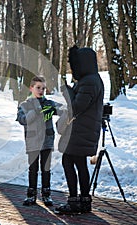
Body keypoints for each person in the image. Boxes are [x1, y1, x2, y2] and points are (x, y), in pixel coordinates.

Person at [55, 45, 104, 214]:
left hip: (80, 131)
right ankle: (84, 201)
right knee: (80, 165)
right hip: (83, 130)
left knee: (68, 162)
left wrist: (66, 90)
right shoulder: (91, 79)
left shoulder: (90, 81)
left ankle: (74, 202)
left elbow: (77, 106)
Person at [16, 76, 61, 206]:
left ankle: (46, 195)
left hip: (47, 140)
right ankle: (31, 195)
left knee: (46, 169)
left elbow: (63, 110)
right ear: (31, 88)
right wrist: (34, 112)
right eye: (38, 88)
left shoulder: (49, 103)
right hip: (32, 141)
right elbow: (21, 119)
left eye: (43, 88)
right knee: (33, 169)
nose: (41, 90)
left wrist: (57, 110)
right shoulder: (25, 104)